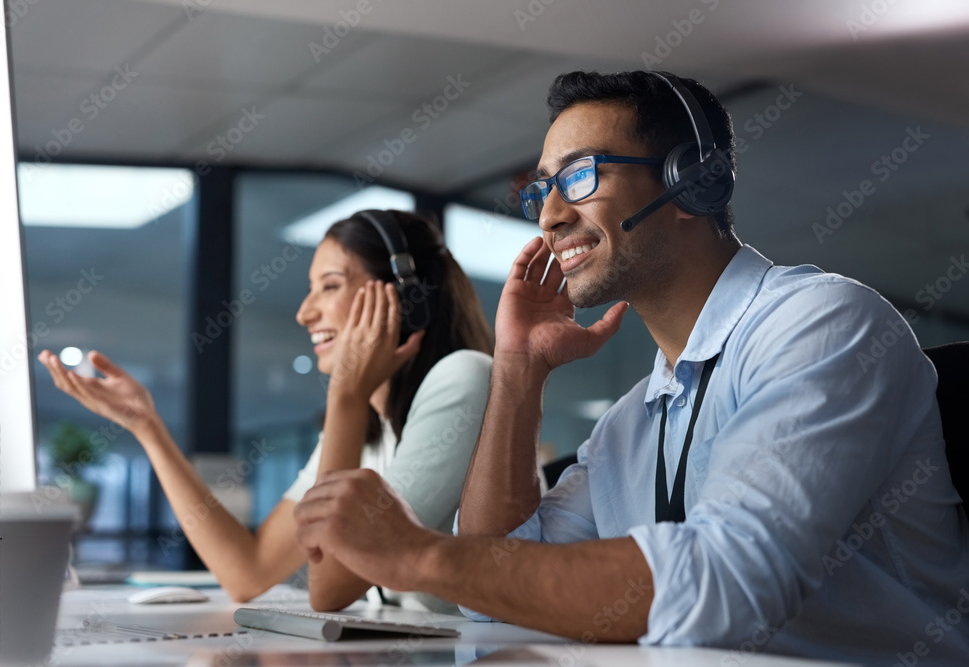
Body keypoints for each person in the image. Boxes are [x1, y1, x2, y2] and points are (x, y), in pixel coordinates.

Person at [292, 71, 969, 663]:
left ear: (692, 182)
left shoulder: (823, 325)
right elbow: (494, 597)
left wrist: (416, 553)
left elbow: (724, 582)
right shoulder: (635, 418)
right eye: (542, 191)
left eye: (580, 175)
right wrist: (519, 371)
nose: (551, 216)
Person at [39, 209, 494, 612]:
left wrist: (346, 396)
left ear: (405, 299)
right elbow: (248, 572)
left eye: (329, 287)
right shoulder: (369, 427)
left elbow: (330, 589)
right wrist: (147, 426)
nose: (304, 313)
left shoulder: (462, 377)